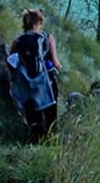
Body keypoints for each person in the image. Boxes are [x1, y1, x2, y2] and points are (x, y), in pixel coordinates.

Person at [8, 8, 63, 141]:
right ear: (39, 22)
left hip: (27, 86)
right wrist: (58, 67)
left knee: (33, 118)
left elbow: (12, 61)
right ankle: (51, 142)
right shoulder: (48, 38)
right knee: (51, 118)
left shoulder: (17, 41)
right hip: (46, 83)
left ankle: (35, 142)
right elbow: (56, 63)